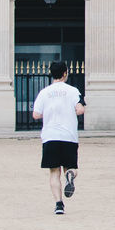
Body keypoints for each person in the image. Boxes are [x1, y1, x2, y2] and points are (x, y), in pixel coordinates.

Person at [31, 60, 84, 215]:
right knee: (72, 168)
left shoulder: (44, 92)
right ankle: (70, 176)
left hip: (50, 136)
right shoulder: (73, 91)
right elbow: (80, 110)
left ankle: (59, 204)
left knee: (54, 172)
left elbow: (36, 114)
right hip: (69, 136)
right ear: (65, 73)